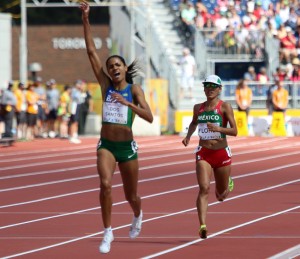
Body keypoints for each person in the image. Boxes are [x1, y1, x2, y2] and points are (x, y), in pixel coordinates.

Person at [80, 1, 153, 254]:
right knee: (106, 185)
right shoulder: (105, 85)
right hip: (107, 145)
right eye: (110, 66)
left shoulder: (134, 90)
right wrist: (86, 19)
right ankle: (108, 231)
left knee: (131, 195)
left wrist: (128, 104)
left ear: (124, 68)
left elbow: (150, 117)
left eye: (117, 65)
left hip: (127, 147)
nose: (113, 68)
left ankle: (137, 214)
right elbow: (91, 52)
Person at [182, 74, 237, 239]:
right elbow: (193, 122)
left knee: (220, 195)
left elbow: (234, 131)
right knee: (204, 188)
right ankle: (203, 226)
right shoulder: (197, 107)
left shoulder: (225, 107)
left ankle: (227, 184)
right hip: (204, 153)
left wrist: (219, 129)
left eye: (213, 86)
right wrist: (188, 136)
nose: (210, 89)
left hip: (221, 153)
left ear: (219, 89)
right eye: (207, 86)